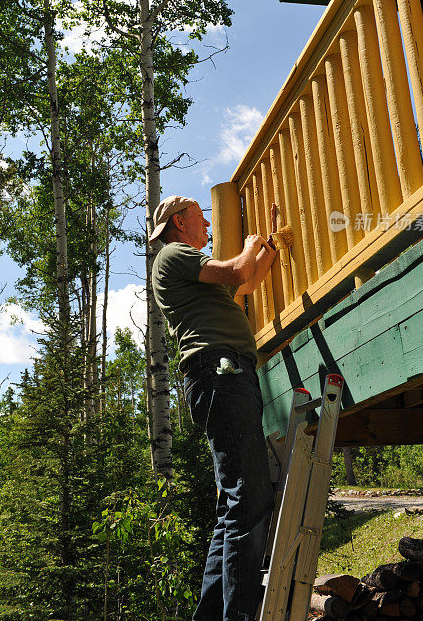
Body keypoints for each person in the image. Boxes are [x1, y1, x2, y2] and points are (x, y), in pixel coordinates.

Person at [150, 195, 278, 621]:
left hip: (224, 375)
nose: (207, 227)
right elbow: (239, 268)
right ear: (179, 223)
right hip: (220, 372)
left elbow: (248, 281)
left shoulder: (192, 270)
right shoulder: (173, 254)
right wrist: (250, 241)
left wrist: (269, 248)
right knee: (251, 495)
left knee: (232, 507)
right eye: (202, 220)